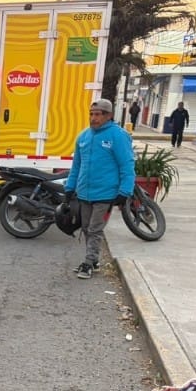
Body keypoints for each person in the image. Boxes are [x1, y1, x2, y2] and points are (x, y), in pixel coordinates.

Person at [63, 98, 135, 280]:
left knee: (95, 229)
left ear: (109, 116)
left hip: (106, 194)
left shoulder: (118, 136)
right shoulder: (83, 137)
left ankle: (88, 263)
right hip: (84, 193)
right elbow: (76, 166)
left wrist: (124, 192)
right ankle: (94, 261)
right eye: (91, 114)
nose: (93, 118)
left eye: (98, 115)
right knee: (86, 228)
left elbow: (127, 166)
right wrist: (69, 188)